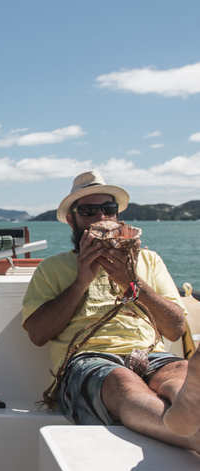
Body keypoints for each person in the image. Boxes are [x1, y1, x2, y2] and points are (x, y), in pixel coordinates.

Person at [22, 170, 200, 452]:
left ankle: (191, 421)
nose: (100, 218)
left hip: (149, 353)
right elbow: (37, 334)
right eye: (88, 211)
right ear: (72, 220)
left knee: (179, 370)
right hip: (87, 361)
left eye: (108, 209)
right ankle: (188, 434)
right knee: (121, 380)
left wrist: (133, 281)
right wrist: (82, 280)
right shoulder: (52, 269)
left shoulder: (149, 261)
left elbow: (175, 328)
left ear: (118, 216)